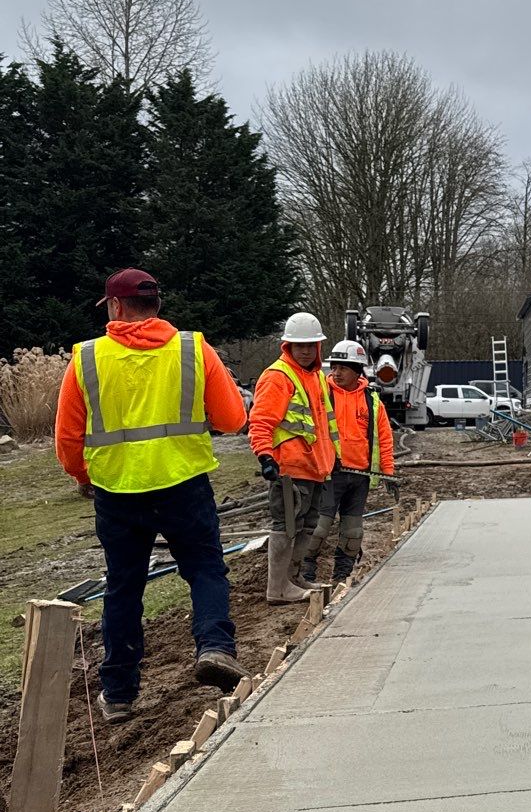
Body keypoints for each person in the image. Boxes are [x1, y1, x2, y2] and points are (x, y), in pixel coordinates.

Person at [53, 267, 248, 719]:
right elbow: (232, 419)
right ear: (156, 305)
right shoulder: (193, 348)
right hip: (184, 483)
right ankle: (215, 647)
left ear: (115, 306)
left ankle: (119, 694)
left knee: (124, 587)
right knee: (205, 569)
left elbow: (67, 438)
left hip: (117, 491)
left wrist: (83, 475)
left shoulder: (86, 359)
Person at [248, 312, 338, 604]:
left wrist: (332, 458)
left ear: (318, 346)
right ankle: (277, 588)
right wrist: (265, 456)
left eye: (311, 345)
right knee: (287, 526)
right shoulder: (278, 376)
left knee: (306, 526)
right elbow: (260, 421)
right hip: (289, 468)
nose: (305, 350)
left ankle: (294, 579)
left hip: (315, 467)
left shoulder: (317, 378)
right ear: (288, 346)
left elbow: (323, 424)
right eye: (300, 345)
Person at [301, 340, 396, 585]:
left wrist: (388, 471)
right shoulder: (322, 394)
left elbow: (384, 438)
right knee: (319, 528)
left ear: (357, 371)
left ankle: (342, 577)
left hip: (359, 476)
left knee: (353, 532)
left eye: (343, 368)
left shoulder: (371, 401)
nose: (336, 372)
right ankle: (304, 573)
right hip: (329, 474)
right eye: (334, 367)